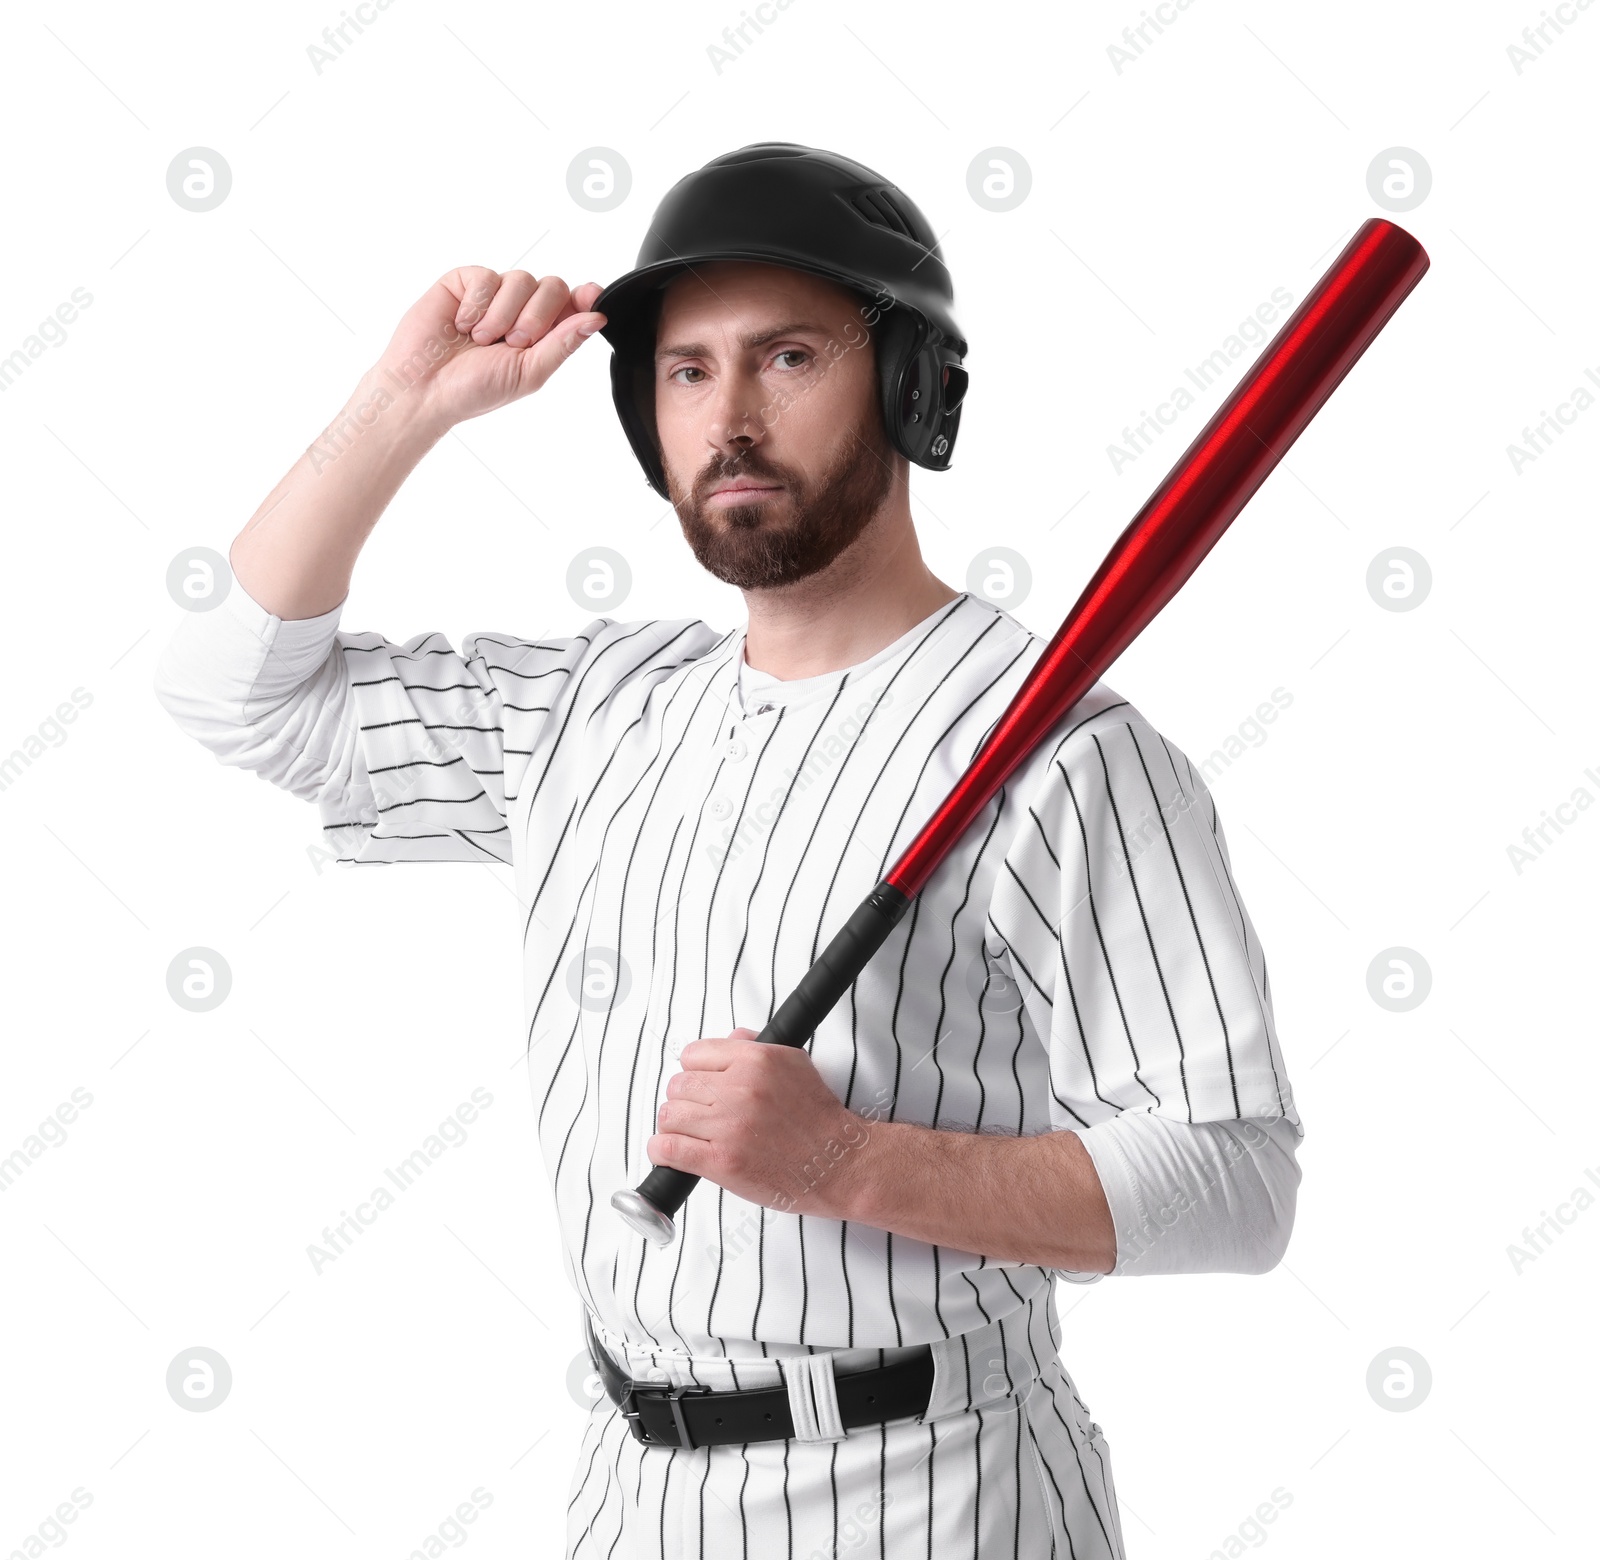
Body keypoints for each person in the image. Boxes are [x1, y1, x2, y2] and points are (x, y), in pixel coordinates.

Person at [153, 143, 1303, 1560]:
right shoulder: (591, 707)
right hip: (632, 1494)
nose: (729, 419)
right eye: (686, 372)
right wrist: (401, 407)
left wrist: (842, 1163)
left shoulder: (1068, 752)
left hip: (936, 1494)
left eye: (789, 358)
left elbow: (1239, 1182)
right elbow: (230, 687)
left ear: (908, 390)